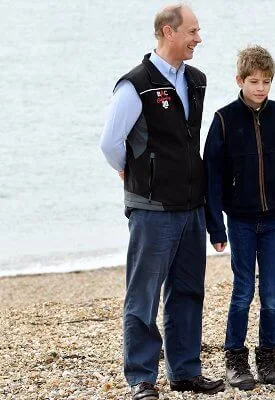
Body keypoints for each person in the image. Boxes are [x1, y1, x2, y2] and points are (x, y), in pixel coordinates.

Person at [99, 4, 224, 399]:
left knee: (187, 291)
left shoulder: (196, 80)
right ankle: (141, 377)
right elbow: (110, 143)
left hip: (191, 206)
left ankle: (185, 371)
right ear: (168, 33)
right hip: (151, 209)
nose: (198, 39)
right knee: (144, 295)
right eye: (192, 31)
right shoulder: (135, 84)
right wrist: (133, 174)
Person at [203, 45, 275, 391]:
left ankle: (267, 357)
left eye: (266, 82)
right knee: (242, 289)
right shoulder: (224, 119)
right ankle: (235, 358)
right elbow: (212, 176)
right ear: (240, 80)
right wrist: (215, 226)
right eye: (254, 81)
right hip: (240, 220)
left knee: (272, 291)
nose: (261, 88)